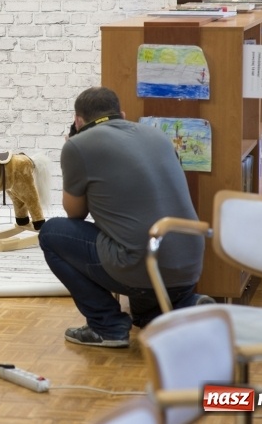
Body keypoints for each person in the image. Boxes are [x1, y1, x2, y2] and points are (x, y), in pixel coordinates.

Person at [38, 86, 210, 349]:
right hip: (188, 263)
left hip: (140, 264)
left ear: (78, 121)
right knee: (142, 314)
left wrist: (71, 154)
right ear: (122, 113)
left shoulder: (77, 145)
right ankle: (186, 306)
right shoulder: (157, 135)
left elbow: (75, 213)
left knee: (51, 233)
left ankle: (106, 325)